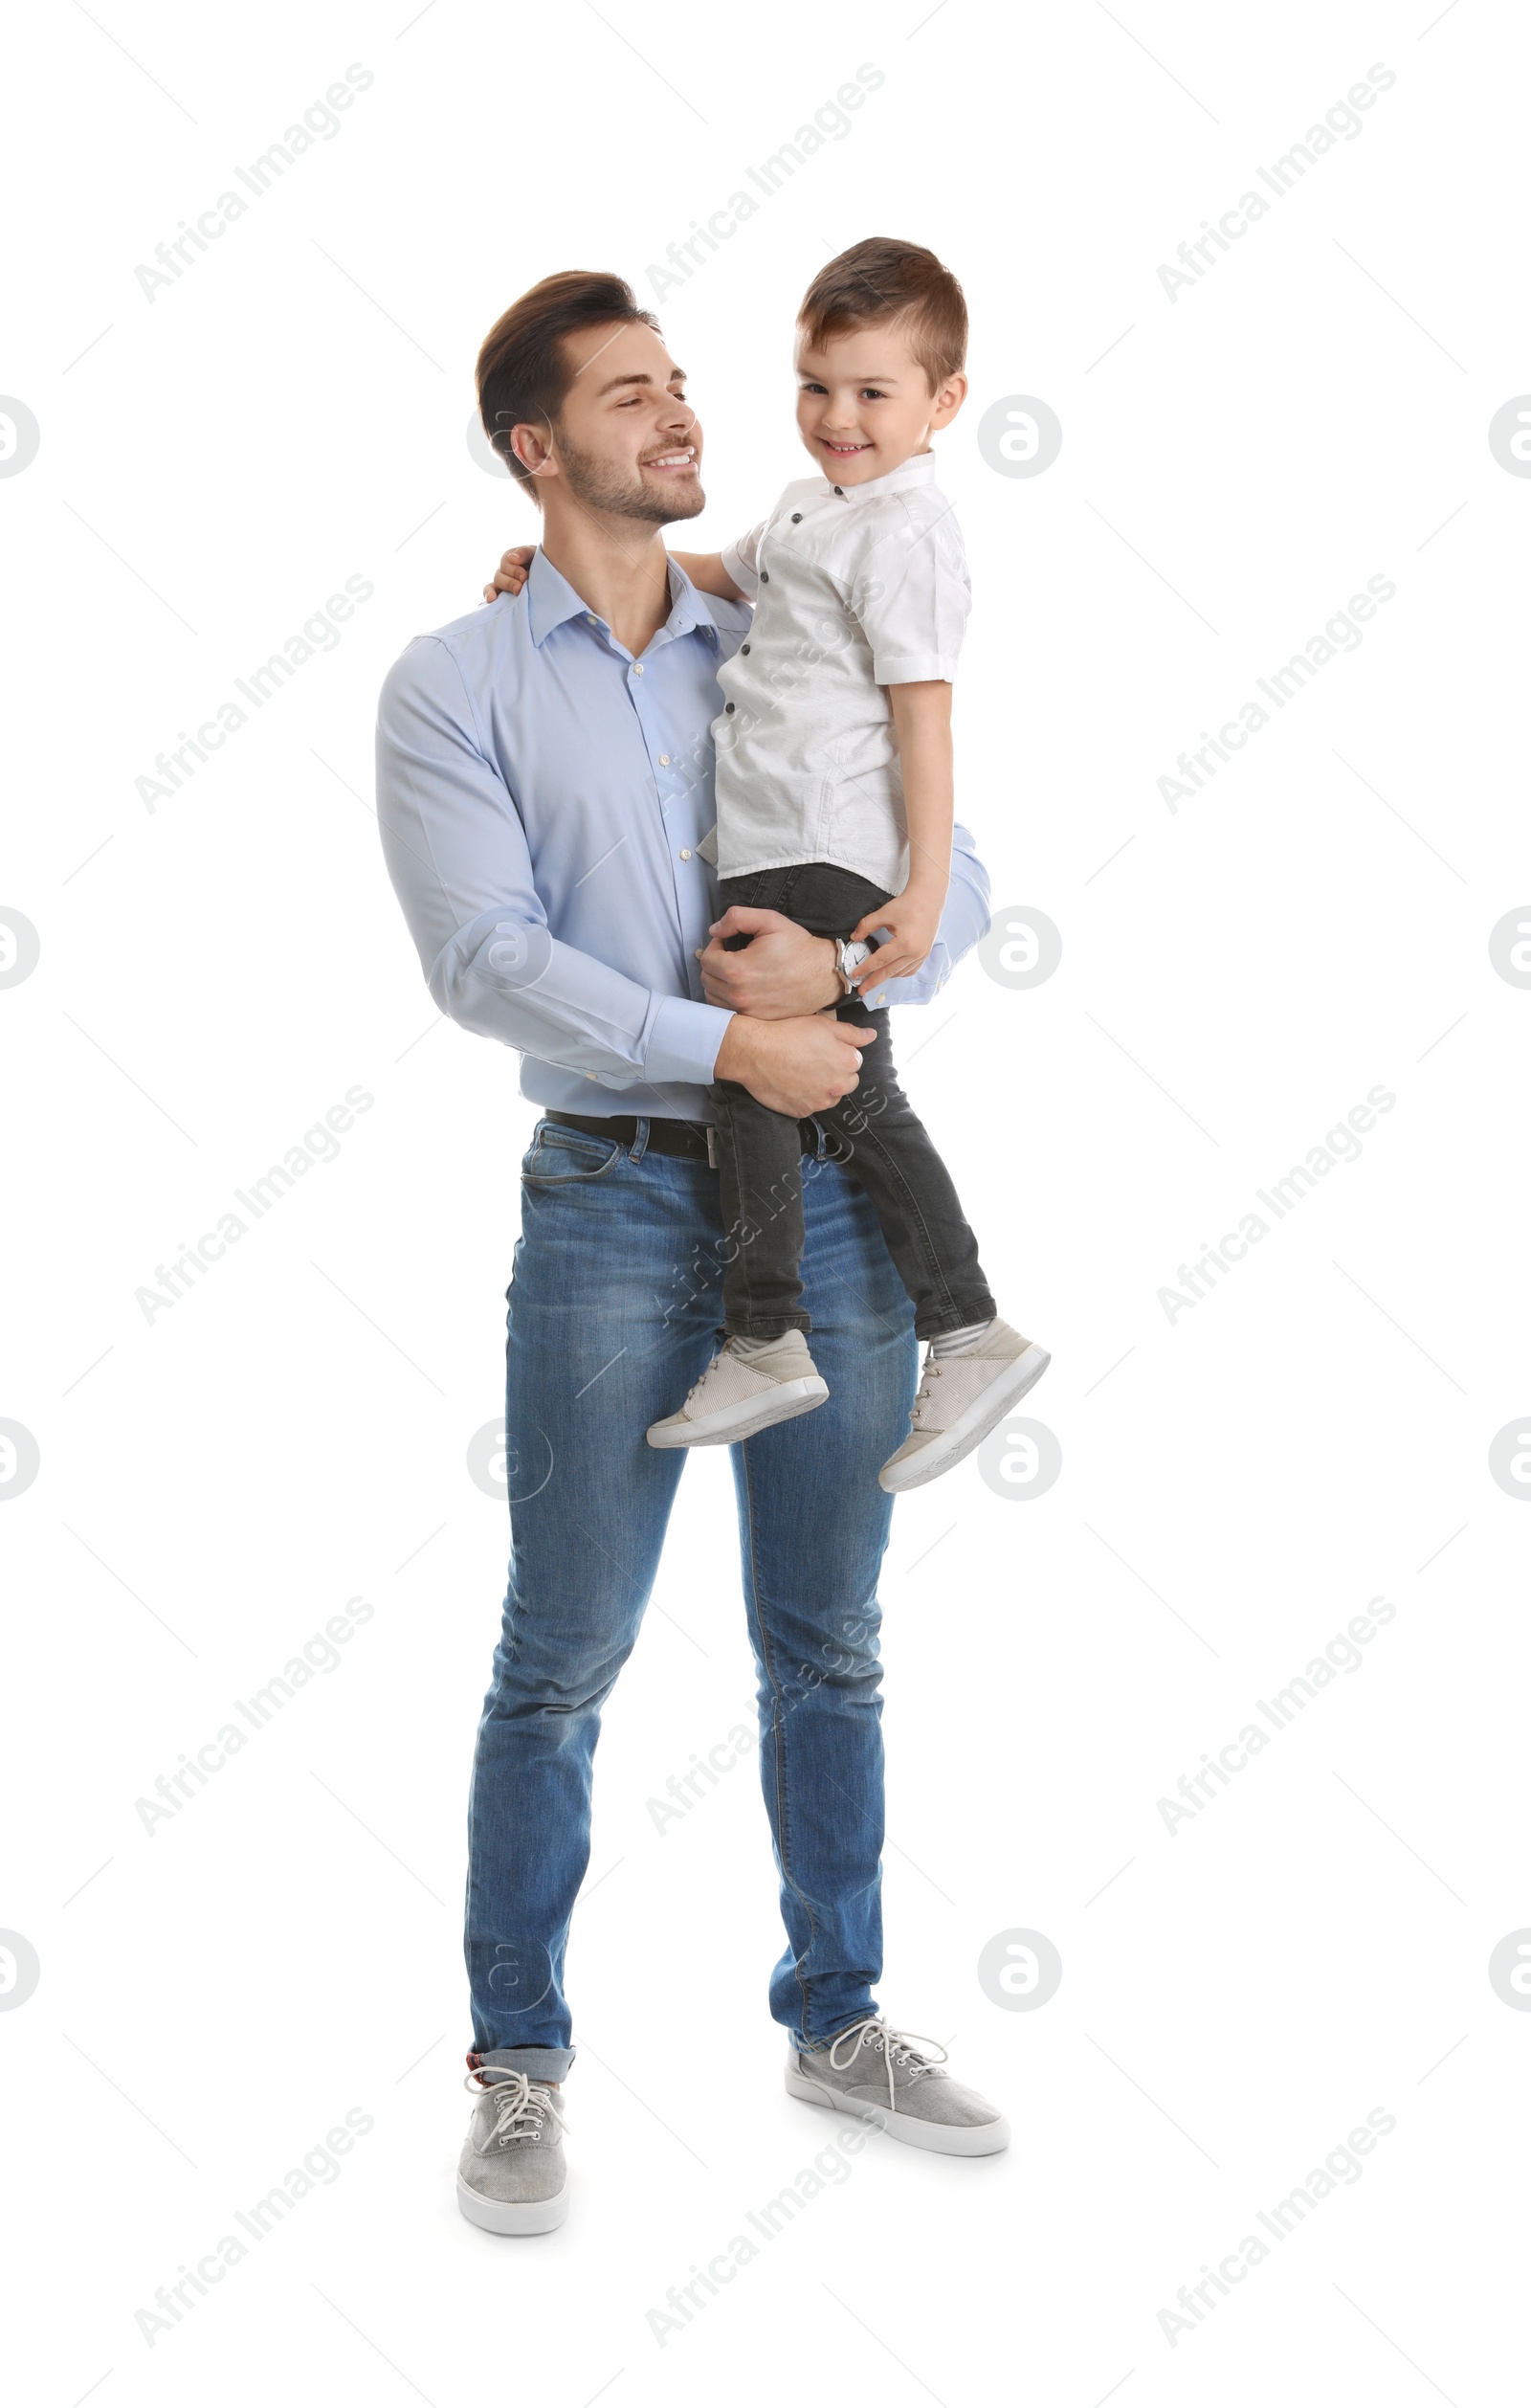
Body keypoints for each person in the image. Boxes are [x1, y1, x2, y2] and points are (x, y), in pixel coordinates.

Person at [376, 269, 1012, 2238]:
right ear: (536, 449)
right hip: (611, 1200)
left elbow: (952, 867)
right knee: (559, 1657)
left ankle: (835, 2016)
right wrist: (729, 1035)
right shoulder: (455, 680)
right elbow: (486, 963)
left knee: (826, 1646)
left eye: (678, 382)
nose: (684, 413)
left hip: (821, 1188)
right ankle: (518, 2059)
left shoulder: (776, 602)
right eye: (628, 396)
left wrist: (842, 961)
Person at [498, 239, 1051, 1493]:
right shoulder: (811, 507)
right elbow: (711, 570)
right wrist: (564, 566)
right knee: (832, 1095)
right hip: (775, 850)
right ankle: (958, 1329)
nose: (840, 419)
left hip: (828, 849)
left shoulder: (907, 535)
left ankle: (775, 1334)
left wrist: (909, 898)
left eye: (874, 394)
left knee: (768, 1080)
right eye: (818, 386)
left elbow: (926, 715)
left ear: (944, 404)